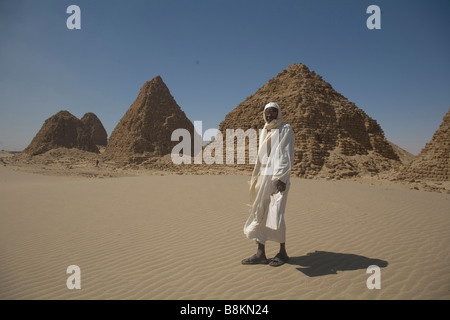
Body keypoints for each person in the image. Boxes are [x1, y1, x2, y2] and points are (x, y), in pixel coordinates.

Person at [241, 102, 295, 267]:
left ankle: (283, 253)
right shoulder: (265, 129)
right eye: (267, 113)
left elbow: (286, 154)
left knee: (275, 215)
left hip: (276, 179)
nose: (269, 115)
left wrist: (281, 178)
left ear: (278, 113)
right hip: (263, 177)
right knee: (260, 212)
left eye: (273, 112)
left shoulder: (285, 129)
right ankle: (260, 253)